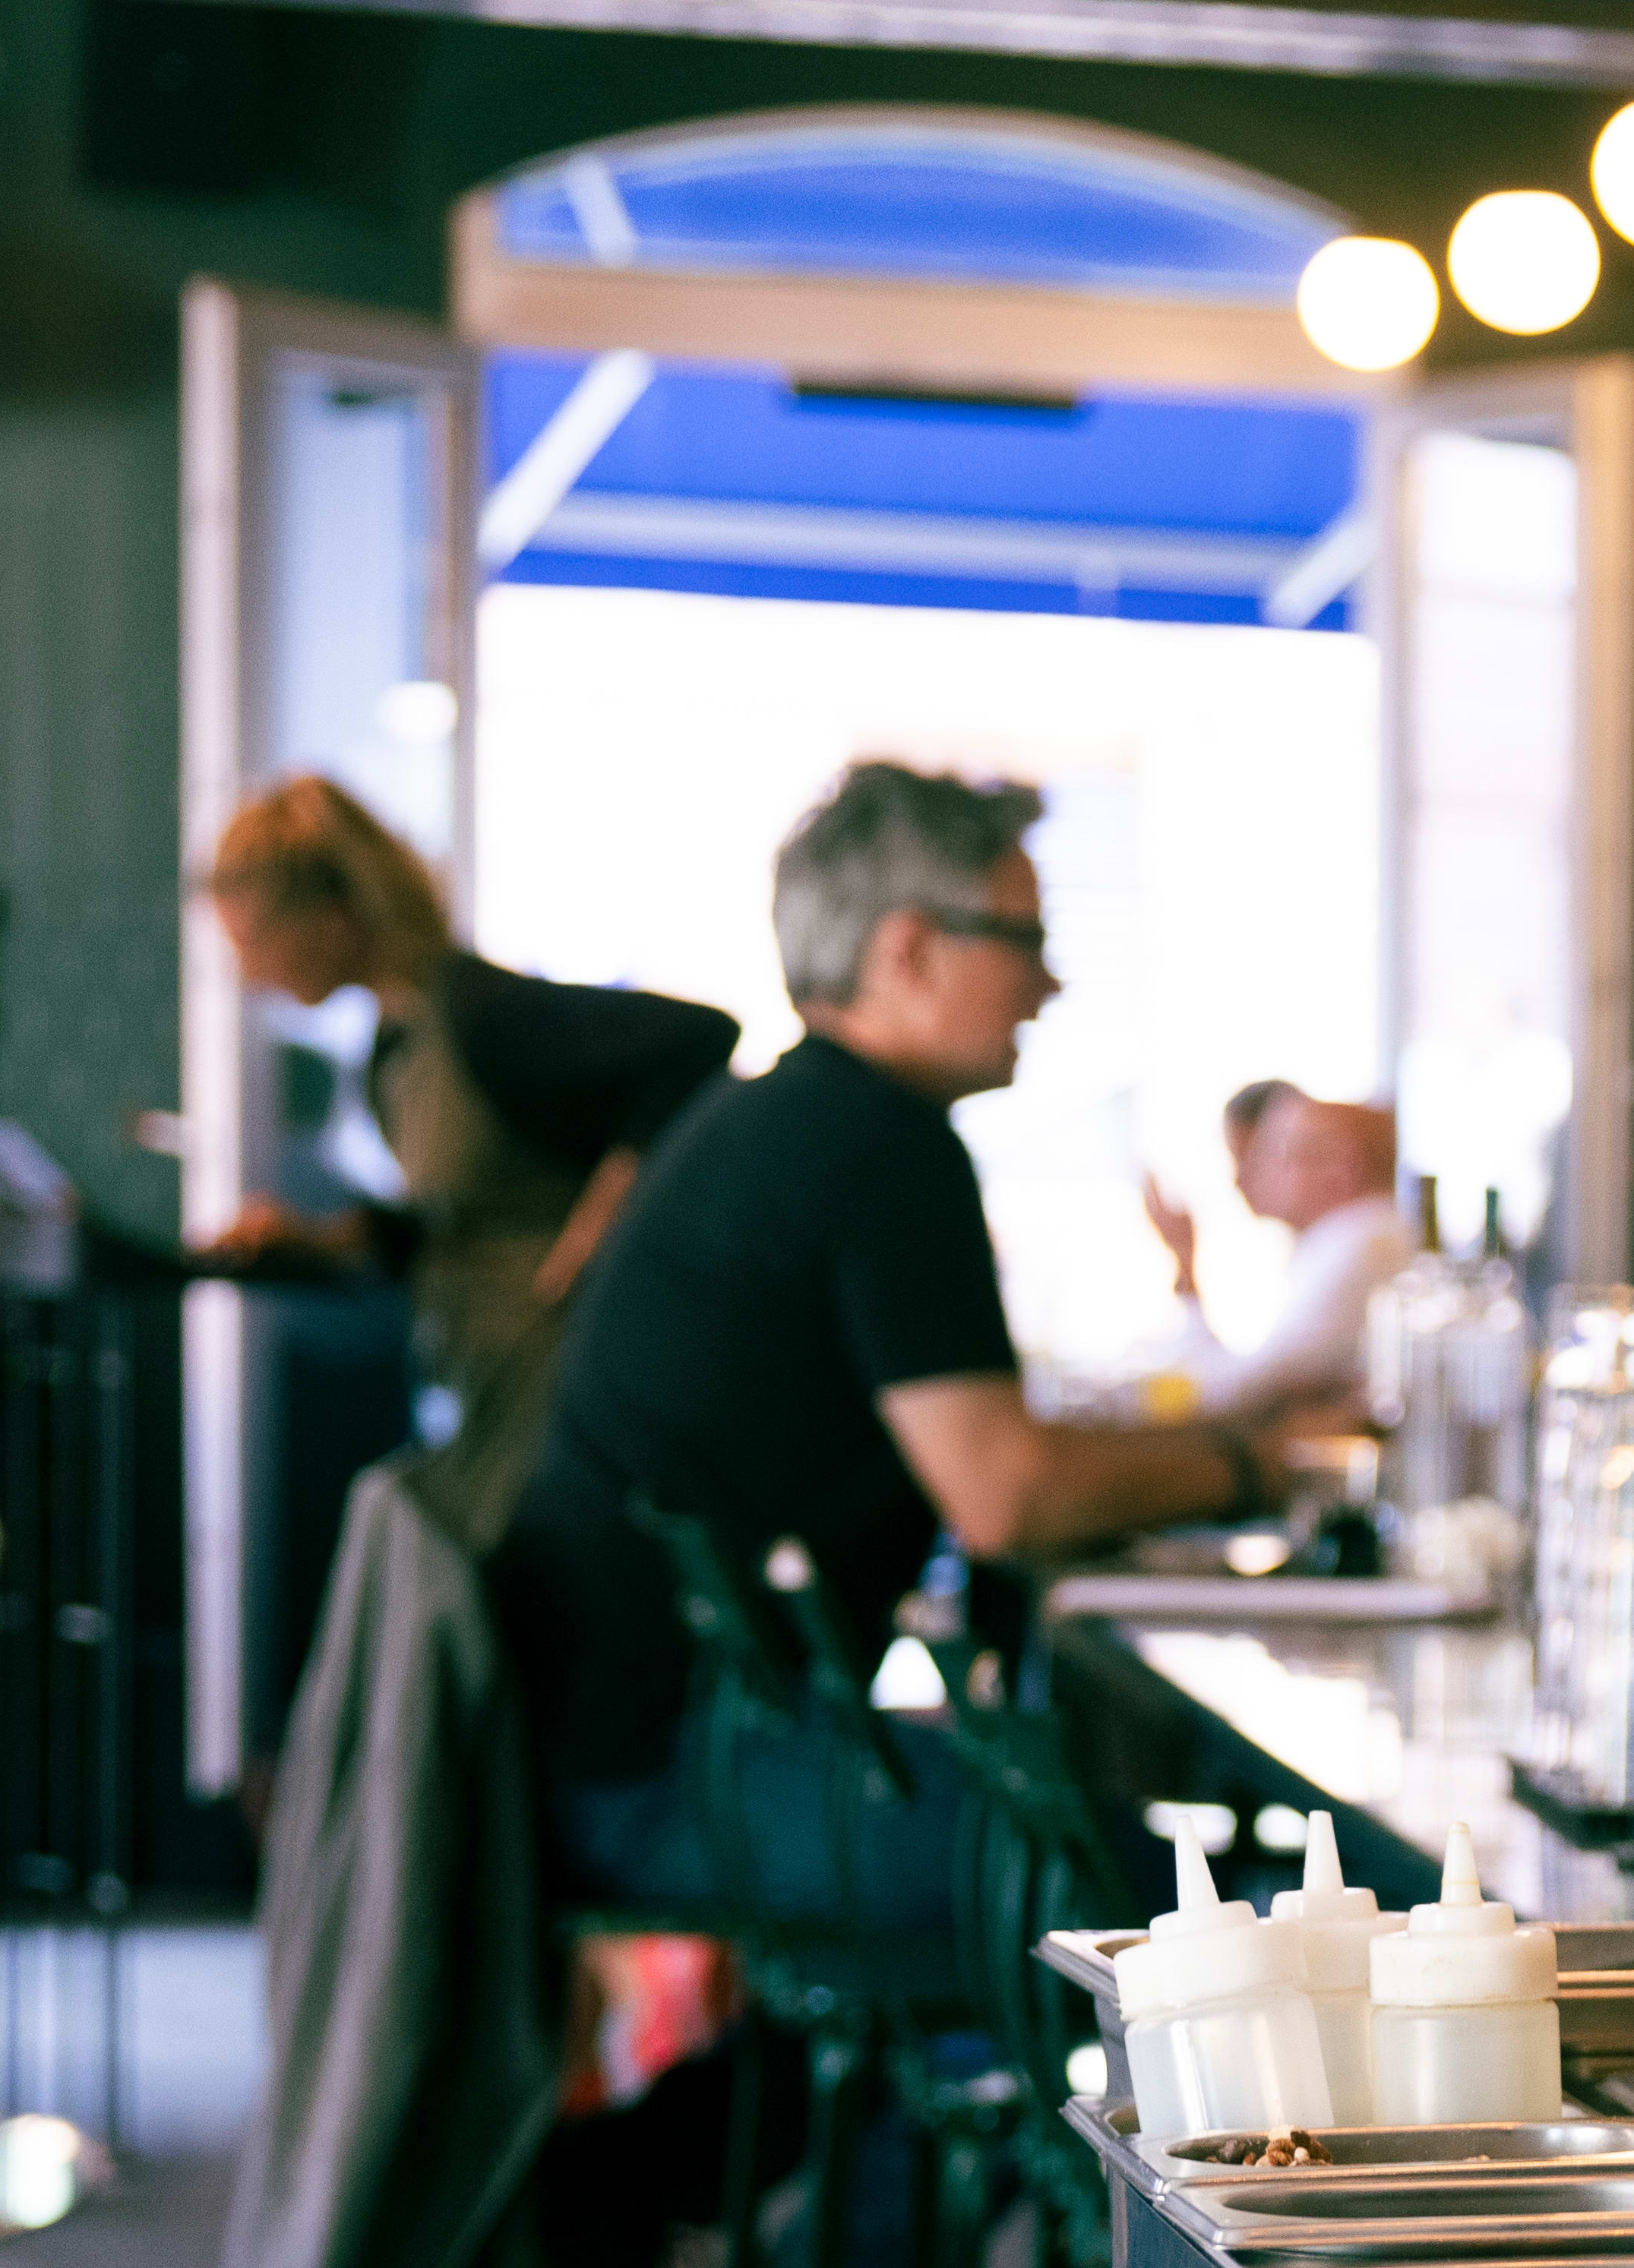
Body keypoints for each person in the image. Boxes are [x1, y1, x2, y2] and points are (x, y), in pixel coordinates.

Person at [501, 762, 1279, 1923]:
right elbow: (1005, 1496)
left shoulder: (780, 1116)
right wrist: (1259, 1468)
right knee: (1221, 1916)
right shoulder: (880, 1145)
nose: (1051, 983)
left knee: (1154, 1862)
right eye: (1024, 940)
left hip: (604, 1756)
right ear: (910, 949)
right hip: (680, 1781)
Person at [198, 775, 732, 1531]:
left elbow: (697, 1041)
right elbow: (460, 1226)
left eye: (252, 940)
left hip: (567, 1405)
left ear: (332, 914)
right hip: (490, 1394)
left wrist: (594, 1239)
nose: (246, 972)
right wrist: (313, 1242)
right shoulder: (392, 1052)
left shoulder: (485, 1015)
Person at [1137, 1079, 1411, 1425]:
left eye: (1274, 1152)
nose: (1249, 1173)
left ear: (1342, 1164)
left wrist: (1183, 1258)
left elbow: (1234, 1391)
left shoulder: (1362, 1242)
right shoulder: (1346, 1239)